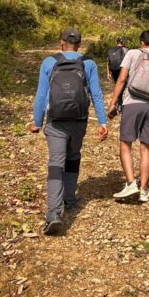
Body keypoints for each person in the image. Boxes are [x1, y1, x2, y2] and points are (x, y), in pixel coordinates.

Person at [30, 28, 108, 235]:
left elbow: (40, 95)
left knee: (56, 164)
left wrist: (37, 122)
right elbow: (97, 94)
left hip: (55, 121)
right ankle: (70, 198)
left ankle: (54, 214)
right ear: (80, 44)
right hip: (79, 120)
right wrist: (103, 122)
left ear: (61, 42)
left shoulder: (49, 62)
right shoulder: (88, 63)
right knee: (73, 157)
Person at [108, 29, 149, 203]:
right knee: (146, 148)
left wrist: (113, 103)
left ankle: (130, 183)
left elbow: (121, 79)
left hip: (132, 103)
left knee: (125, 143)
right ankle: (143, 190)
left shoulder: (133, 53)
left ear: (142, 42)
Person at [106, 37, 127, 112]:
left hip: (114, 71)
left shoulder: (111, 50)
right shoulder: (125, 50)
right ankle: (121, 105)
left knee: (117, 86)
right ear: (123, 43)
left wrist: (108, 73)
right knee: (123, 87)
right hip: (122, 71)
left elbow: (108, 62)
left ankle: (119, 104)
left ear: (116, 42)